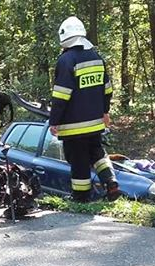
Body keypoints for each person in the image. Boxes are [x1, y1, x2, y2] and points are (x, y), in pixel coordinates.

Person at [48, 16, 120, 202]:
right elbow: (107, 89)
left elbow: (61, 95)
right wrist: (105, 111)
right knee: (97, 152)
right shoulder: (96, 57)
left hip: (74, 125)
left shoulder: (66, 60)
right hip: (95, 122)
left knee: (78, 159)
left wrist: (54, 121)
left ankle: (81, 197)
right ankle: (110, 181)